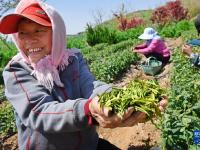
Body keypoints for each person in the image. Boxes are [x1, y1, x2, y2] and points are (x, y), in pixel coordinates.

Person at [0, 0, 168, 149]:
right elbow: (39, 112)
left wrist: (118, 98)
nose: (29, 40)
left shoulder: (72, 59)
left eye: (39, 31)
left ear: (56, 33)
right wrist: (88, 109)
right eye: (22, 33)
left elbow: (91, 86)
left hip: (88, 144)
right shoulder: (16, 71)